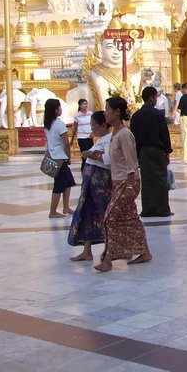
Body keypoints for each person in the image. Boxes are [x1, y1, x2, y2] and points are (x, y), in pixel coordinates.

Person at [95, 96, 152, 272]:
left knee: (109, 219)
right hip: (118, 181)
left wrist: (129, 187)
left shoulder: (125, 135)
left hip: (127, 182)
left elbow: (131, 162)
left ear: (117, 112)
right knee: (130, 218)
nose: (105, 113)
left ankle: (108, 259)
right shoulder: (115, 133)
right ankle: (144, 251)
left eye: (107, 109)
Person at [68, 111, 111, 261]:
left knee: (104, 215)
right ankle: (87, 250)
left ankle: (109, 251)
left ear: (104, 126)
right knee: (87, 213)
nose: (92, 130)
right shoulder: (101, 140)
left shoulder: (109, 139)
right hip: (91, 183)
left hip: (100, 183)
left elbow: (109, 160)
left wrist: (91, 154)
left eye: (94, 127)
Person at [130, 86, 173, 217]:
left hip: (144, 151)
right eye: (155, 97)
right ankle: (162, 209)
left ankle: (148, 209)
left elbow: (134, 137)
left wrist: (137, 155)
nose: (156, 100)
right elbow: (164, 134)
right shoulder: (157, 114)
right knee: (160, 179)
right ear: (151, 98)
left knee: (147, 181)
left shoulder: (136, 116)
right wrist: (167, 151)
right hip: (157, 150)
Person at [43, 98, 76, 218]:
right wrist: (69, 157)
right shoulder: (59, 124)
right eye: (59, 107)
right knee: (59, 184)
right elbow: (66, 143)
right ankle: (53, 211)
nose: (61, 109)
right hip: (60, 157)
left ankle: (66, 207)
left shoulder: (48, 124)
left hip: (53, 155)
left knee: (68, 182)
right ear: (56, 110)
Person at [71, 98, 93, 172]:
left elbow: (93, 124)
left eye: (86, 103)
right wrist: (72, 140)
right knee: (85, 154)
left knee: (91, 153)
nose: (85, 105)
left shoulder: (90, 113)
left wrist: (93, 133)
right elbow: (75, 128)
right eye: (83, 104)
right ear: (80, 105)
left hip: (89, 137)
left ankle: (89, 169)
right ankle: (84, 169)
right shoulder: (77, 115)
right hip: (81, 137)